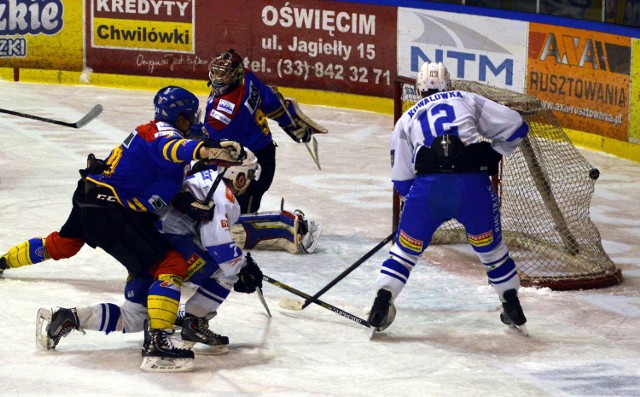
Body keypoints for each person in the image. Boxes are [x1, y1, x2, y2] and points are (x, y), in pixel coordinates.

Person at [2, 85, 245, 372]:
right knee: (171, 264)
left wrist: (184, 200)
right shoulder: (163, 134)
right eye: (191, 116)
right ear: (180, 118)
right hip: (111, 207)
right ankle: (158, 345)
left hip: (90, 196)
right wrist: (208, 150)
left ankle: (3, 261)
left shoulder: (152, 131)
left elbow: (153, 179)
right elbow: (176, 148)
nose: (193, 121)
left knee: (62, 245)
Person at [37, 153, 264, 361]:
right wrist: (243, 267)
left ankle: (70, 316)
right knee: (226, 272)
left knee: (134, 316)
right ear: (240, 176)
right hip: (169, 236)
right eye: (250, 175)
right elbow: (217, 242)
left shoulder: (201, 174)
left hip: (146, 237)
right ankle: (192, 322)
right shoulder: (225, 196)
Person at [367, 62, 530, 336]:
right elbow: (516, 126)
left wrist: (417, 209)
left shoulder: (405, 120)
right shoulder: (465, 98)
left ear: (418, 88)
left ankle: (382, 303)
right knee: (491, 251)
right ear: (448, 84)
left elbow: (402, 181)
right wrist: (495, 152)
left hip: (428, 191)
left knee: (404, 253)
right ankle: (511, 305)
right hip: (473, 187)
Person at [202, 48, 315, 214]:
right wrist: (290, 123)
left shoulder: (225, 109)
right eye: (217, 74)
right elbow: (271, 102)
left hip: (245, 164)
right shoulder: (247, 77)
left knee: (239, 208)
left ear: (235, 74)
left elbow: (207, 140)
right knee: (243, 202)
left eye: (225, 75)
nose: (219, 80)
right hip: (265, 154)